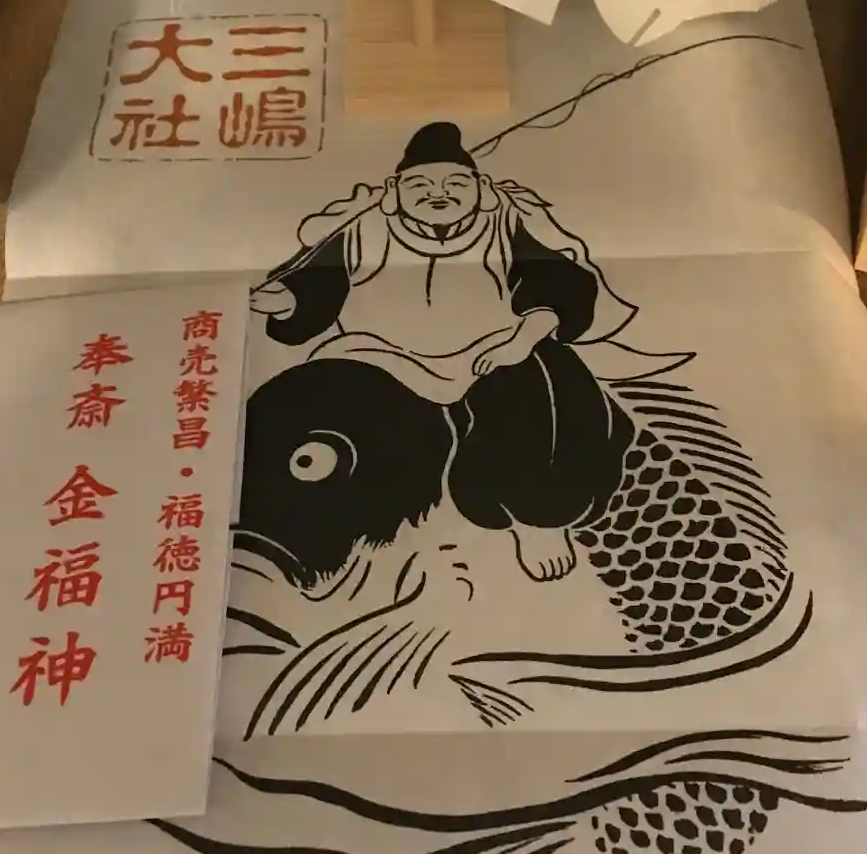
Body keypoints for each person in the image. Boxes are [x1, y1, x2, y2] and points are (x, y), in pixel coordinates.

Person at [250, 122, 637, 580]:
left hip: (489, 349)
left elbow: (558, 284)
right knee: (306, 407)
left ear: (481, 189)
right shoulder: (363, 229)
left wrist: (522, 338)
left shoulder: (504, 224)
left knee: (544, 397)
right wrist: (286, 300)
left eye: (455, 184)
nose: (438, 194)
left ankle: (538, 520)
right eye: (420, 185)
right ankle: (292, 537)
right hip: (379, 353)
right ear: (394, 191)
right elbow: (316, 282)